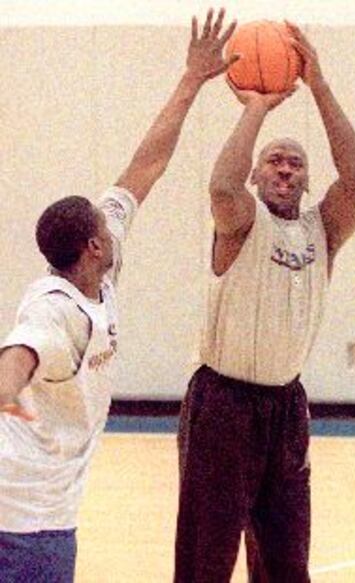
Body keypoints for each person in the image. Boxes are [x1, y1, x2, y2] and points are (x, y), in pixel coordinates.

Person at [0, 10, 238, 582]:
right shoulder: (55, 309)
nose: (116, 231)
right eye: (107, 233)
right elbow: (18, 357)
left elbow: (145, 166)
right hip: (24, 524)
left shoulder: (98, 270)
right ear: (91, 246)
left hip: (44, 513)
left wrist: (191, 80)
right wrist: (8, 392)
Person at [174, 21, 355, 583]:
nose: (285, 168)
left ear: (307, 181)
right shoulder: (240, 221)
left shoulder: (322, 231)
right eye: (274, 161)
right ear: (257, 175)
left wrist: (321, 85)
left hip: (286, 408)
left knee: (287, 562)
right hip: (221, 404)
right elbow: (221, 189)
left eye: (295, 163)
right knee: (206, 560)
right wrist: (256, 108)